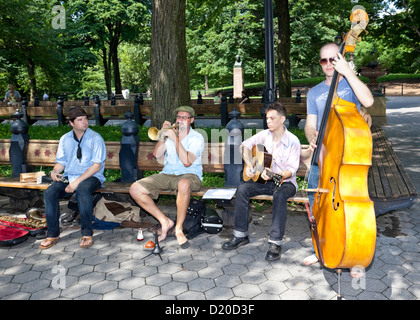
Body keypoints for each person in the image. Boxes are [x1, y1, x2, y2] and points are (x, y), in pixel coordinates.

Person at [303, 42, 374, 270]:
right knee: (318, 206)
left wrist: (348, 72)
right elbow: (310, 124)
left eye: (333, 59)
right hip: (321, 158)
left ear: (340, 59)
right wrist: (311, 137)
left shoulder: (350, 85)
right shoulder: (314, 92)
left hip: (345, 157)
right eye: (324, 61)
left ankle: (353, 255)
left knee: (351, 209)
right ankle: (321, 249)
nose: (328, 65)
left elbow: (369, 102)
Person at [222, 102, 301, 261]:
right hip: (264, 181)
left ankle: (275, 243)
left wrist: (273, 175)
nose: (268, 121)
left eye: (272, 118)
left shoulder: (293, 141)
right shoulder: (264, 135)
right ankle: (240, 235)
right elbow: (244, 146)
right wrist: (250, 162)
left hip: (285, 182)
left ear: (283, 119)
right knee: (242, 189)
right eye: (267, 118)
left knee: (279, 195)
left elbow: (291, 171)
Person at [130, 106, 204, 249]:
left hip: (190, 175)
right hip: (167, 174)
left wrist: (175, 139)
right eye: (178, 117)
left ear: (192, 120)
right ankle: (165, 221)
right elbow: (157, 155)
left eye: (184, 118)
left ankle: (178, 229)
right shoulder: (170, 136)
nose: (180, 120)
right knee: (135, 189)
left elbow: (187, 162)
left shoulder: (197, 137)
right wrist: (163, 137)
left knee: (183, 184)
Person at [39, 107, 106, 250]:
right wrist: (54, 172)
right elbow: (61, 162)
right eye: (80, 120)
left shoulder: (96, 138)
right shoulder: (65, 139)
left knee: (82, 189)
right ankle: (52, 234)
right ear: (71, 123)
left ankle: (87, 233)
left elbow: (96, 166)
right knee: (50, 192)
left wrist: (76, 182)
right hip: (71, 177)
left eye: (86, 119)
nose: (85, 122)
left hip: (93, 177)